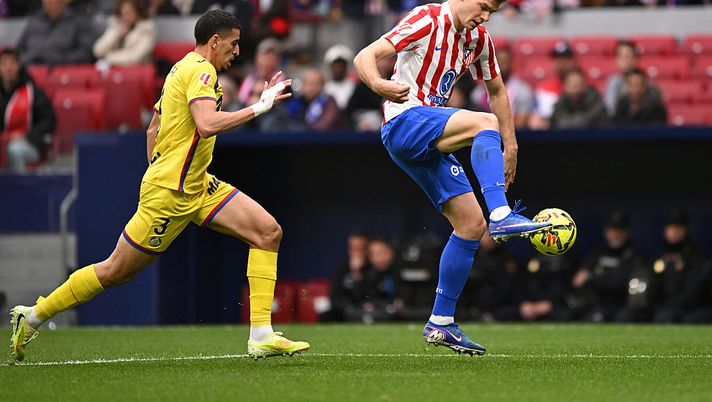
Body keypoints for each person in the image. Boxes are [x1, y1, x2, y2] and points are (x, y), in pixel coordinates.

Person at [9, 10, 309, 362]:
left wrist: (164, 164)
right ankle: (31, 316)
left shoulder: (180, 68)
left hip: (196, 187)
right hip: (169, 195)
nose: (237, 51)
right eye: (234, 43)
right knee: (115, 271)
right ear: (215, 41)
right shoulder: (200, 70)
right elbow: (208, 124)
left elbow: (154, 128)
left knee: (267, 232)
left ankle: (261, 335)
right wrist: (261, 106)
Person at [353, 0, 551, 356]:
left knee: (472, 225)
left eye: (493, 11)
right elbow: (364, 56)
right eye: (484, 6)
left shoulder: (478, 39)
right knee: (483, 123)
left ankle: (441, 322)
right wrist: (379, 85)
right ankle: (502, 215)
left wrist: (513, 146)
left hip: (429, 139)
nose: (486, 16)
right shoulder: (427, 18)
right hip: (404, 122)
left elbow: (497, 91)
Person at [572, 212, 646, 322]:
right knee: (594, 317)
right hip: (599, 305)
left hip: (624, 305)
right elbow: (578, 281)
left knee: (625, 318)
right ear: (606, 232)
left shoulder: (635, 256)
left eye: (619, 231)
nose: (615, 235)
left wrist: (593, 277)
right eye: (612, 231)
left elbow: (623, 283)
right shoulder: (597, 254)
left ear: (627, 233)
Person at [0, 48, 55, 172]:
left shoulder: (33, 93)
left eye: (12, 63)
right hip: (2, 143)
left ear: (19, 65)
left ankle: (18, 188)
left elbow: (49, 122)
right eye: (4, 64)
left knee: (15, 150)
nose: (8, 68)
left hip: (30, 144)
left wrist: (25, 135)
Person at [16, 0, 97, 66]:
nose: (52, 5)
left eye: (56, 2)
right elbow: (18, 49)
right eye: (48, 2)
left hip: (63, 71)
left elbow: (84, 53)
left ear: (63, 2)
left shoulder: (78, 22)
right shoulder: (34, 21)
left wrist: (62, 60)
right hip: (30, 68)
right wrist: (26, 58)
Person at [471, 46, 533, 129]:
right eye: (498, 62)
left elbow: (521, 123)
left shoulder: (522, 91)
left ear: (511, 63)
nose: (501, 66)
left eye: (505, 62)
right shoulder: (479, 92)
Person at [528, 41, 578, 130]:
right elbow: (536, 121)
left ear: (572, 61)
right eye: (557, 58)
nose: (561, 63)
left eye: (565, 58)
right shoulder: (544, 87)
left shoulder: (582, 86)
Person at [93, 0, 156, 67]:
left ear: (137, 12)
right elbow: (98, 51)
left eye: (129, 13)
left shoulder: (146, 29)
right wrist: (115, 35)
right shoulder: (116, 26)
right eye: (123, 14)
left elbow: (136, 56)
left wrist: (109, 58)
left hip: (137, 71)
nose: (126, 17)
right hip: (115, 71)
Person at [327, 230, 370, 322]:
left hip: (368, 311)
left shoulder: (372, 266)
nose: (357, 252)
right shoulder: (342, 266)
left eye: (361, 248)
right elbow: (335, 296)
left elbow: (370, 296)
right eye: (353, 248)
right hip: (346, 312)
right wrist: (349, 308)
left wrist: (358, 275)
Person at [603, 40, 639, 116]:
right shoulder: (612, 83)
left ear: (635, 60)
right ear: (616, 60)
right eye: (620, 56)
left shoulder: (645, 83)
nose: (624, 61)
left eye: (628, 57)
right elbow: (609, 111)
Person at [323, 44, 356, 110]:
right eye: (336, 66)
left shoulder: (353, 88)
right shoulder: (324, 88)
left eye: (341, 66)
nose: (338, 69)